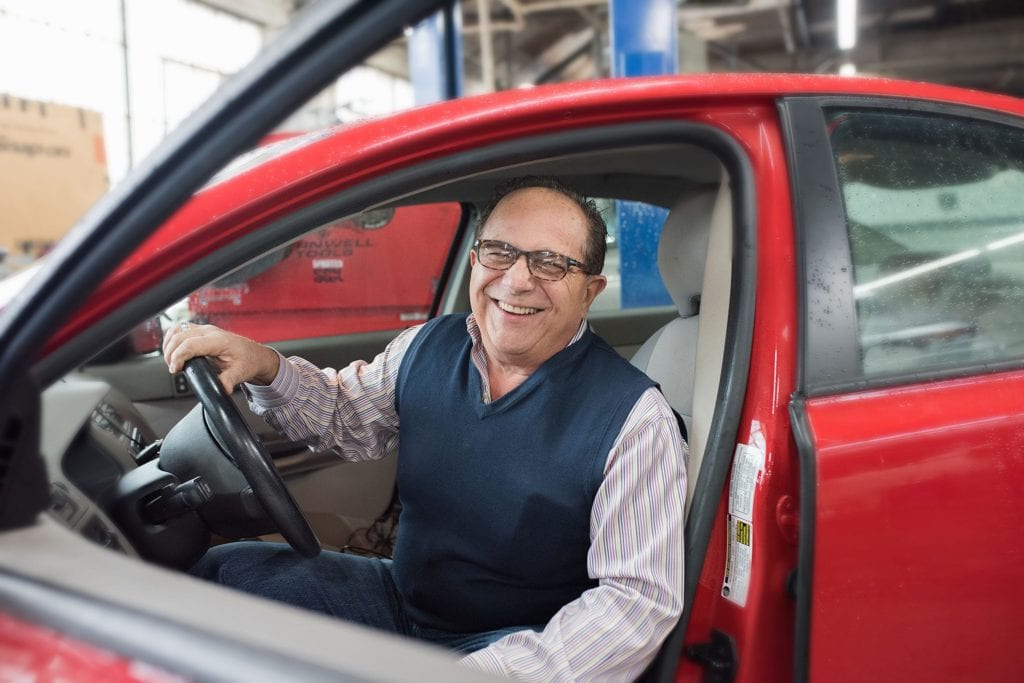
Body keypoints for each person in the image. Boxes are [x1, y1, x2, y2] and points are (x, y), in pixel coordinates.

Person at [163, 176, 688, 681]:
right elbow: (344, 416)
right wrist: (263, 364)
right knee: (228, 574)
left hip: (513, 642)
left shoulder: (635, 421)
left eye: (551, 262)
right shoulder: (429, 346)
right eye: (500, 251)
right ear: (479, 258)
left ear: (590, 289)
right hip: (401, 601)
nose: (518, 279)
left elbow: (634, 602)